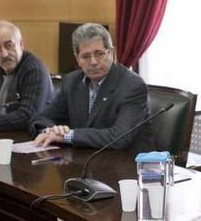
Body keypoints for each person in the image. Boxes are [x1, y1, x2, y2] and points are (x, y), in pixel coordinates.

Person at [30, 23, 150, 151]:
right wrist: (51, 130)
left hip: (129, 163)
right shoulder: (72, 81)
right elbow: (40, 118)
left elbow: (120, 137)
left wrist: (67, 135)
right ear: (77, 58)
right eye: (86, 56)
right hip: (85, 160)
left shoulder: (132, 85)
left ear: (111, 53)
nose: (93, 62)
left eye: (99, 54)